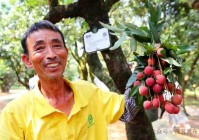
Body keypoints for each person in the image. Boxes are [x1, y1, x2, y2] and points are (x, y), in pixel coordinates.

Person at [0, 20, 139, 140]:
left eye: (56, 45)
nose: (51, 54)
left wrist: (148, 74)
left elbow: (127, 108)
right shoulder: (14, 114)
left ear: (66, 53)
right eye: (40, 48)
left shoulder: (89, 91)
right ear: (27, 60)